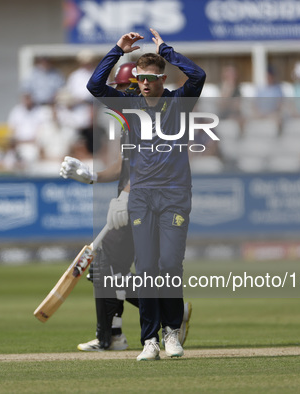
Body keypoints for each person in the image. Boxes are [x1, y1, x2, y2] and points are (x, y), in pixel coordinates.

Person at [81, 28, 205, 361]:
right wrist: (118, 50)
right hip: (142, 197)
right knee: (147, 267)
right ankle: (149, 340)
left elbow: (199, 74)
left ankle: (171, 333)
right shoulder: (129, 103)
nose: (145, 84)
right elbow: (94, 86)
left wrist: (167, 50)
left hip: (175, 195)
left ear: (163, 78)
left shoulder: (179, 101)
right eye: (140, 79)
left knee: (169, 263)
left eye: (151, 78)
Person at [61, 62, 192, 353]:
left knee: (113, 269)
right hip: (132, 200)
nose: (118, 93)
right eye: (118, 87)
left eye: (123, 87)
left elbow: (144, 164)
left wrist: (126, 195)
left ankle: (118, 333)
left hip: (145, 202)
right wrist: (94, 177)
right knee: (109, 270)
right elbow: (125, 163)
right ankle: (117, 332)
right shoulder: (127, 117)